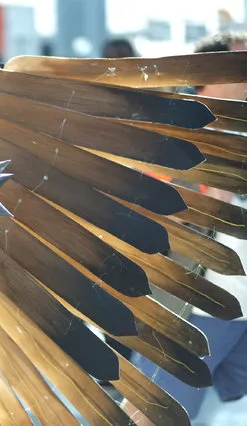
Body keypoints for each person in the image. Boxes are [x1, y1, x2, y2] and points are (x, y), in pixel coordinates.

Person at [122, 32, 247, 425]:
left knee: (221, 414)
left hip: (237, 306)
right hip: (197, 302)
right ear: (211, 69)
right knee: (155, 411)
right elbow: (147, 202)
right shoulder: (178, 127)